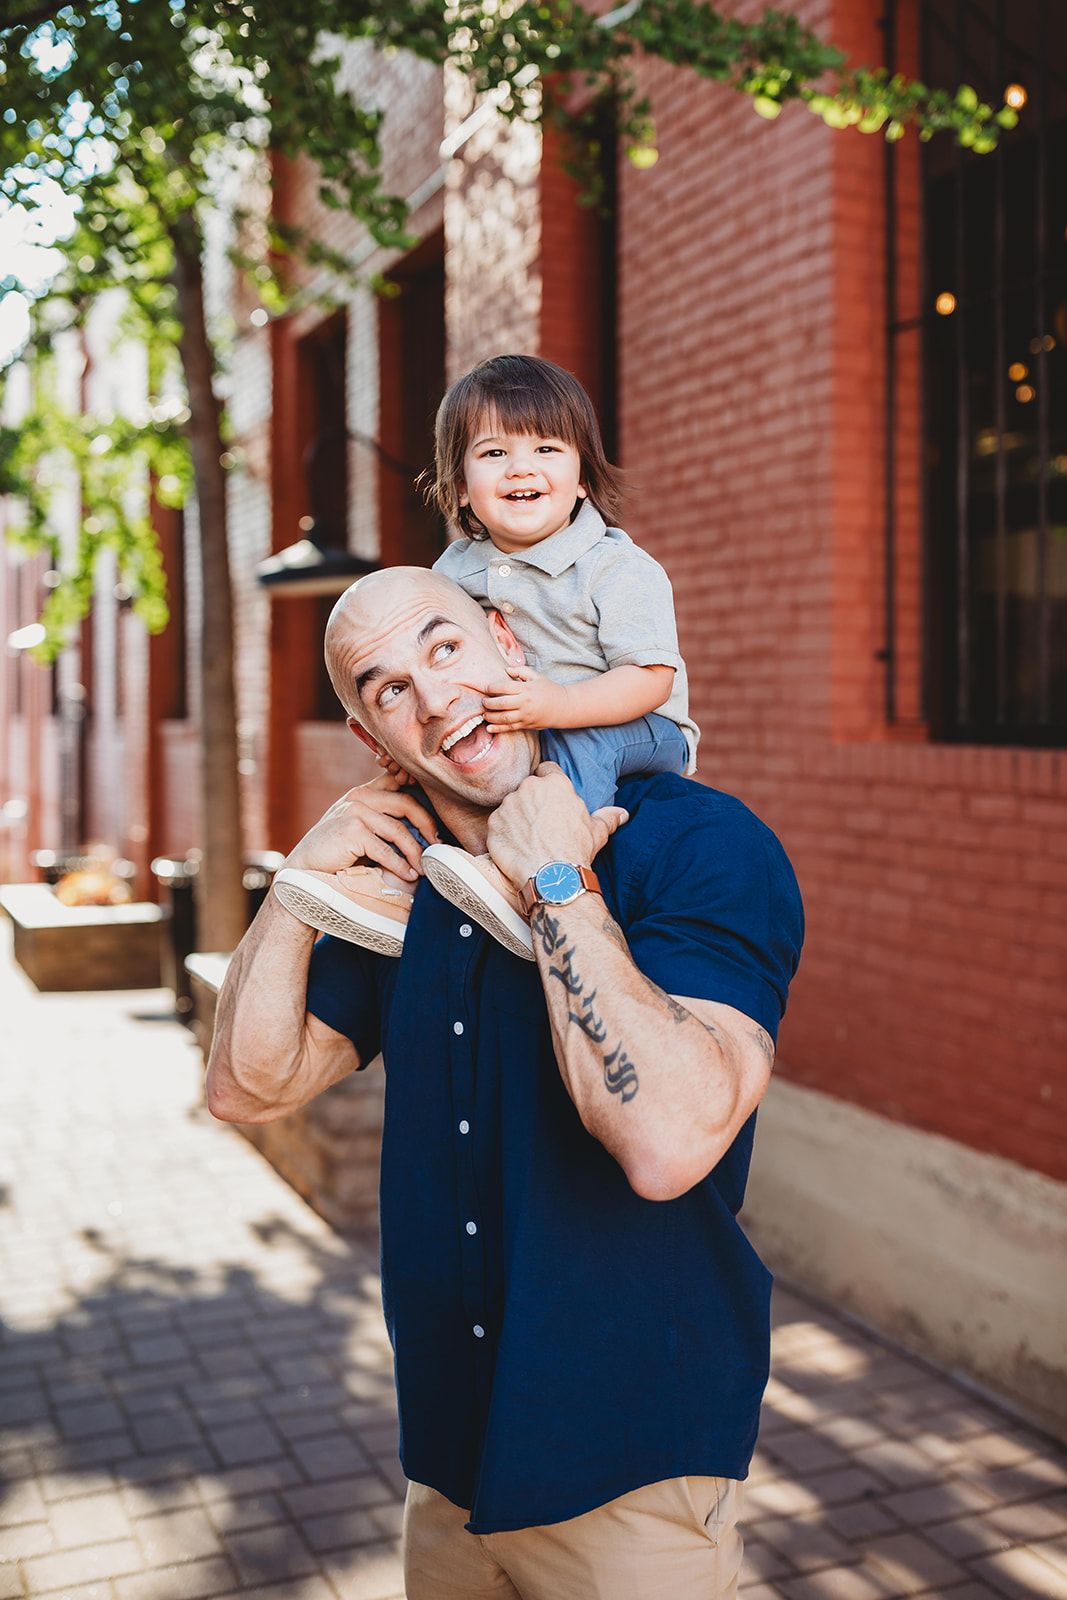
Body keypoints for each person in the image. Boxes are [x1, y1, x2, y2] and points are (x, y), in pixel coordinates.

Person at [206, 564, 804, 1600]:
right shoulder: (404, 879)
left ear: (505, 640)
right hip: (447, 1472)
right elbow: (246, 1087)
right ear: (370, 738)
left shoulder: (697, 844)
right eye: (387, 686)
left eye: (443, 649)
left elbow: (667, 1141)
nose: (433, 697)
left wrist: (557, 883)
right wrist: (298, 888)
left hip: (630, 1475)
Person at [273, 354, 698, 960]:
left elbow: (653, 678)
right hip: (528, 718)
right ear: (461, 489)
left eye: (547, 449)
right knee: (437, 772)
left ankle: (535, 868)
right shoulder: (454, 571)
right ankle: (396, 887)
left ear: (581, 476)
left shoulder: (616, 568)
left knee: (581, 746)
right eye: (495, 453)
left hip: (634, 727)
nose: (521, 467)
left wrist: (562, 704)